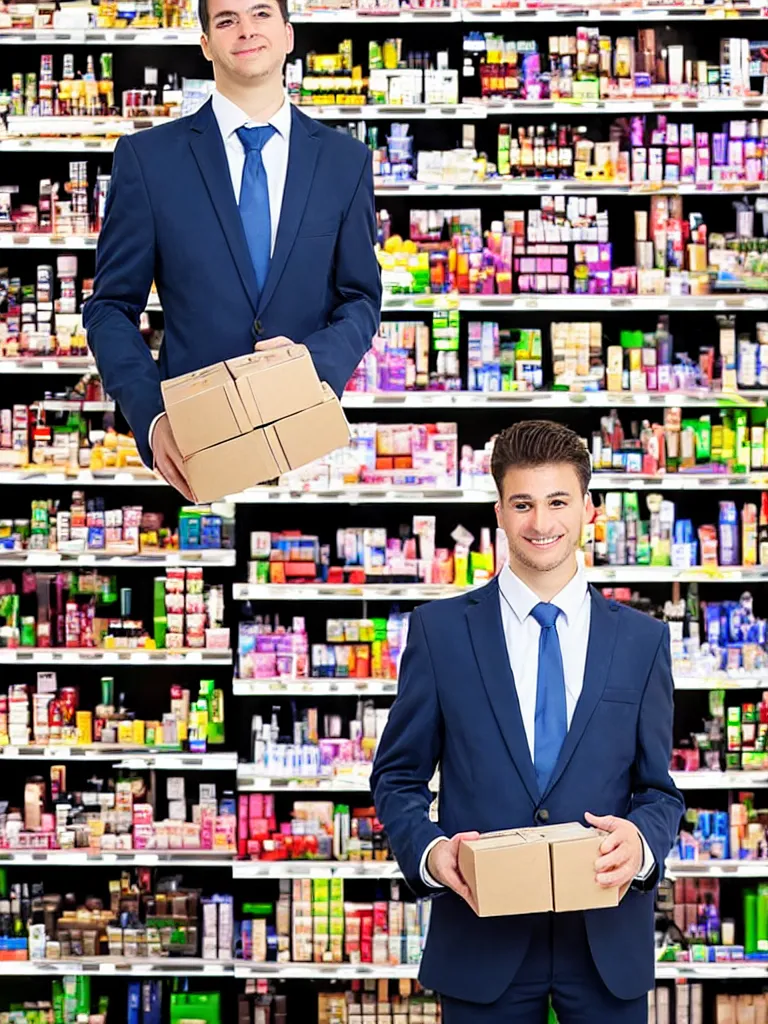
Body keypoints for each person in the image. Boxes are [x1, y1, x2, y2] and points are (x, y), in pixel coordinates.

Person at [371, 419, 684, 1023]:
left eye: (559, 501)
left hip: (604, 940)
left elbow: (658, 791)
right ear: (499, 511)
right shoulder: (441, 634)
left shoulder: (642, 641)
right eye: (523, 504)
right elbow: (397, 778)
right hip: (481, 940)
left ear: (589, 509)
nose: (542, 524)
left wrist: (642, 843)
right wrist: (433, 853)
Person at [83, 0, 381, 499]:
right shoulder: (148, 159)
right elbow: (110, 308)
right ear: (205, 45)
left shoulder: (343, 161)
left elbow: (361, 298)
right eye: (226, 19)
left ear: (288, 35)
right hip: (193, 453)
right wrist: (152, 419)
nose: (245, 29)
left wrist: (313, 365)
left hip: (308, 449)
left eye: (261, 14)